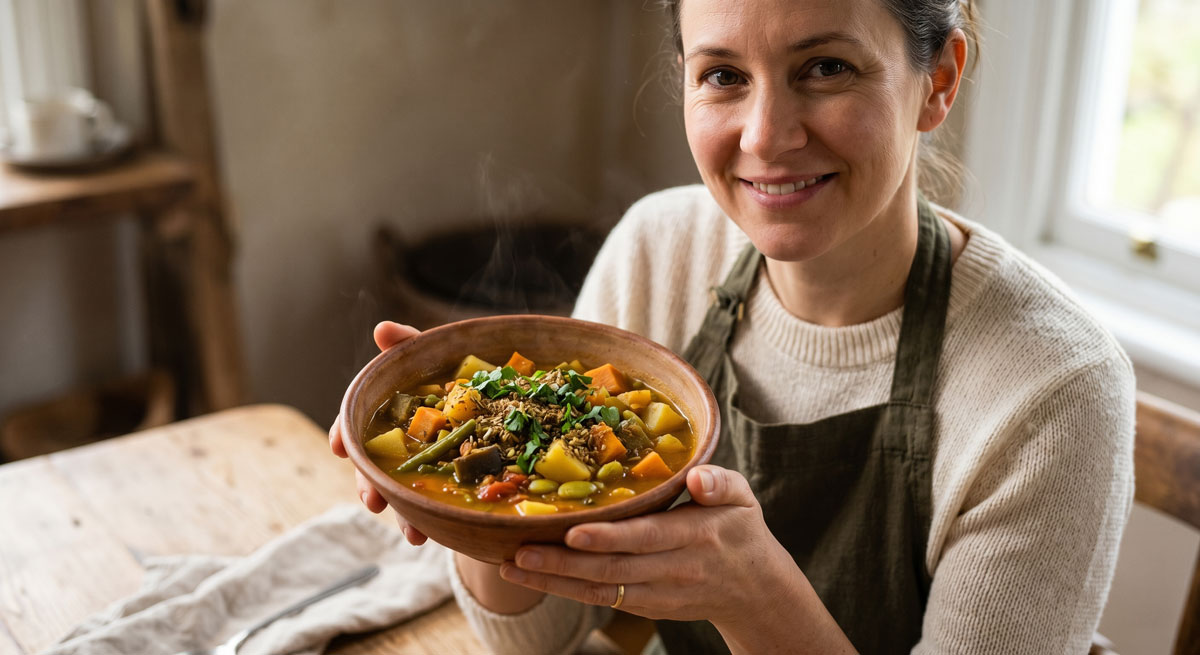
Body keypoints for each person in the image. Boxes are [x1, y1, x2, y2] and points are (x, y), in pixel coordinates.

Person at [330, 0, 1136, 652]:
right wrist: (476, 498)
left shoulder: (1055, 388)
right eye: (723, 75)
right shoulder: (661, 248)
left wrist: (756, 600)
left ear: (939, 81)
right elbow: (539, 637)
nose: (765, 136)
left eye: (826, 68)